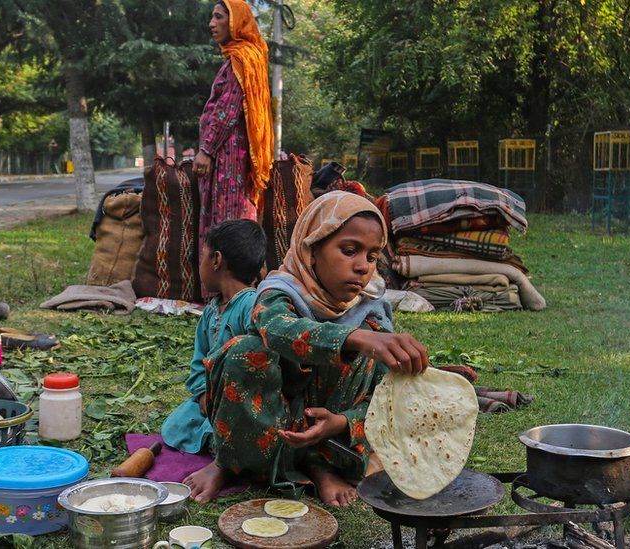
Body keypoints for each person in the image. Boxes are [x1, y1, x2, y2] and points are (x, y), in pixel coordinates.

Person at [183, 192, 430, 507]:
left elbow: (385, 399)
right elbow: (278, 330)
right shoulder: (277, 293)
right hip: (271, 430)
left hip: (330, 432)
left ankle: (319, 464)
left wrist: (341, 422)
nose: (362, 267)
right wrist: (352, 338)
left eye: (371, 256)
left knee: (387, 374)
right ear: (311, 248)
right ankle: (228, 464)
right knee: (245, 350)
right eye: (349, 250)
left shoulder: (371, 312)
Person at [161, 219, 267, 454]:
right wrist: (202, 395)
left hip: (242, 402)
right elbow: (199, 361)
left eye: (203, 257)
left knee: (228, 429)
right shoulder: (210, 312)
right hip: (210, 401)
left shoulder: (251, 305)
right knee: (176, 424)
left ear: (216, 260)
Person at [193, 0, 274, 255]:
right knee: (233, 223)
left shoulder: (241, 59)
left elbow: (227, 110)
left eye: (218, 17)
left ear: (235, 21)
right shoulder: (246, 56)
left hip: (228, 159)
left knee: (226, 225)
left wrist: (206, 150)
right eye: (212, 17)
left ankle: (226, 291)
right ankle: (229, 288)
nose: (211, 23)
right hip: (231, 156)